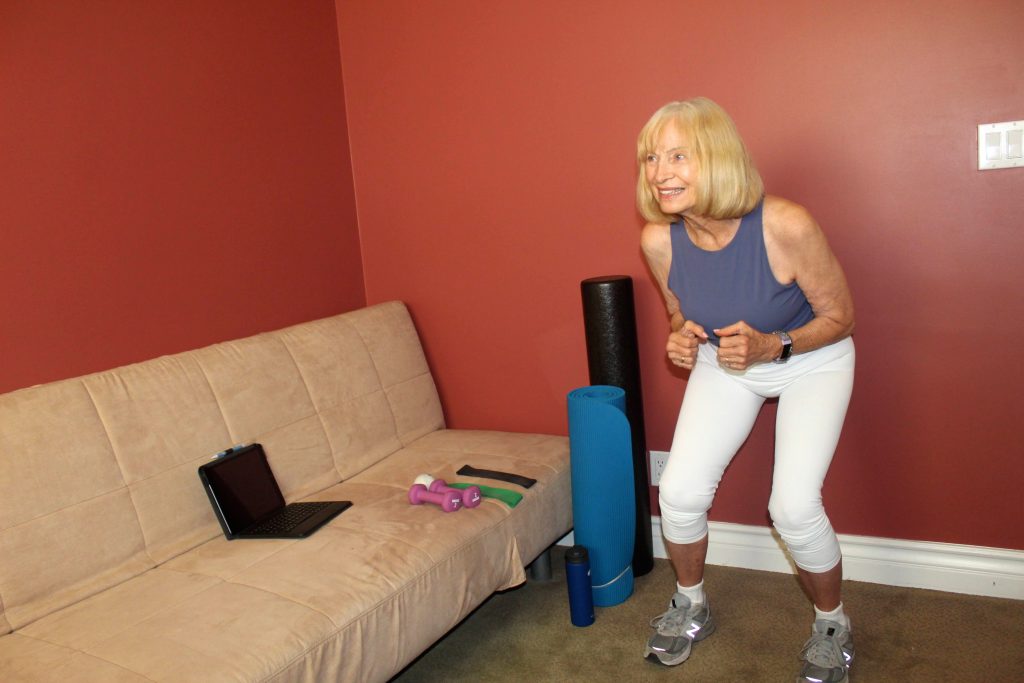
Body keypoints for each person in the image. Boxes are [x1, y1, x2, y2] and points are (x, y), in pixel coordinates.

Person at [637, 97, 857, 683]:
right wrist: (682, 339)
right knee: (678, 491)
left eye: (678, 156)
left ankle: (832, 623)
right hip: (727, 361)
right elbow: (681, 313)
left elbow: (841, 318)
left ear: (718, 159)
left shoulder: (786, 224)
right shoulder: (659, 240)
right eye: (651, 158)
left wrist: (774, 345)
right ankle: (692, 605)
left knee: (793, 507)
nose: (660, 173)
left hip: (810, 360)